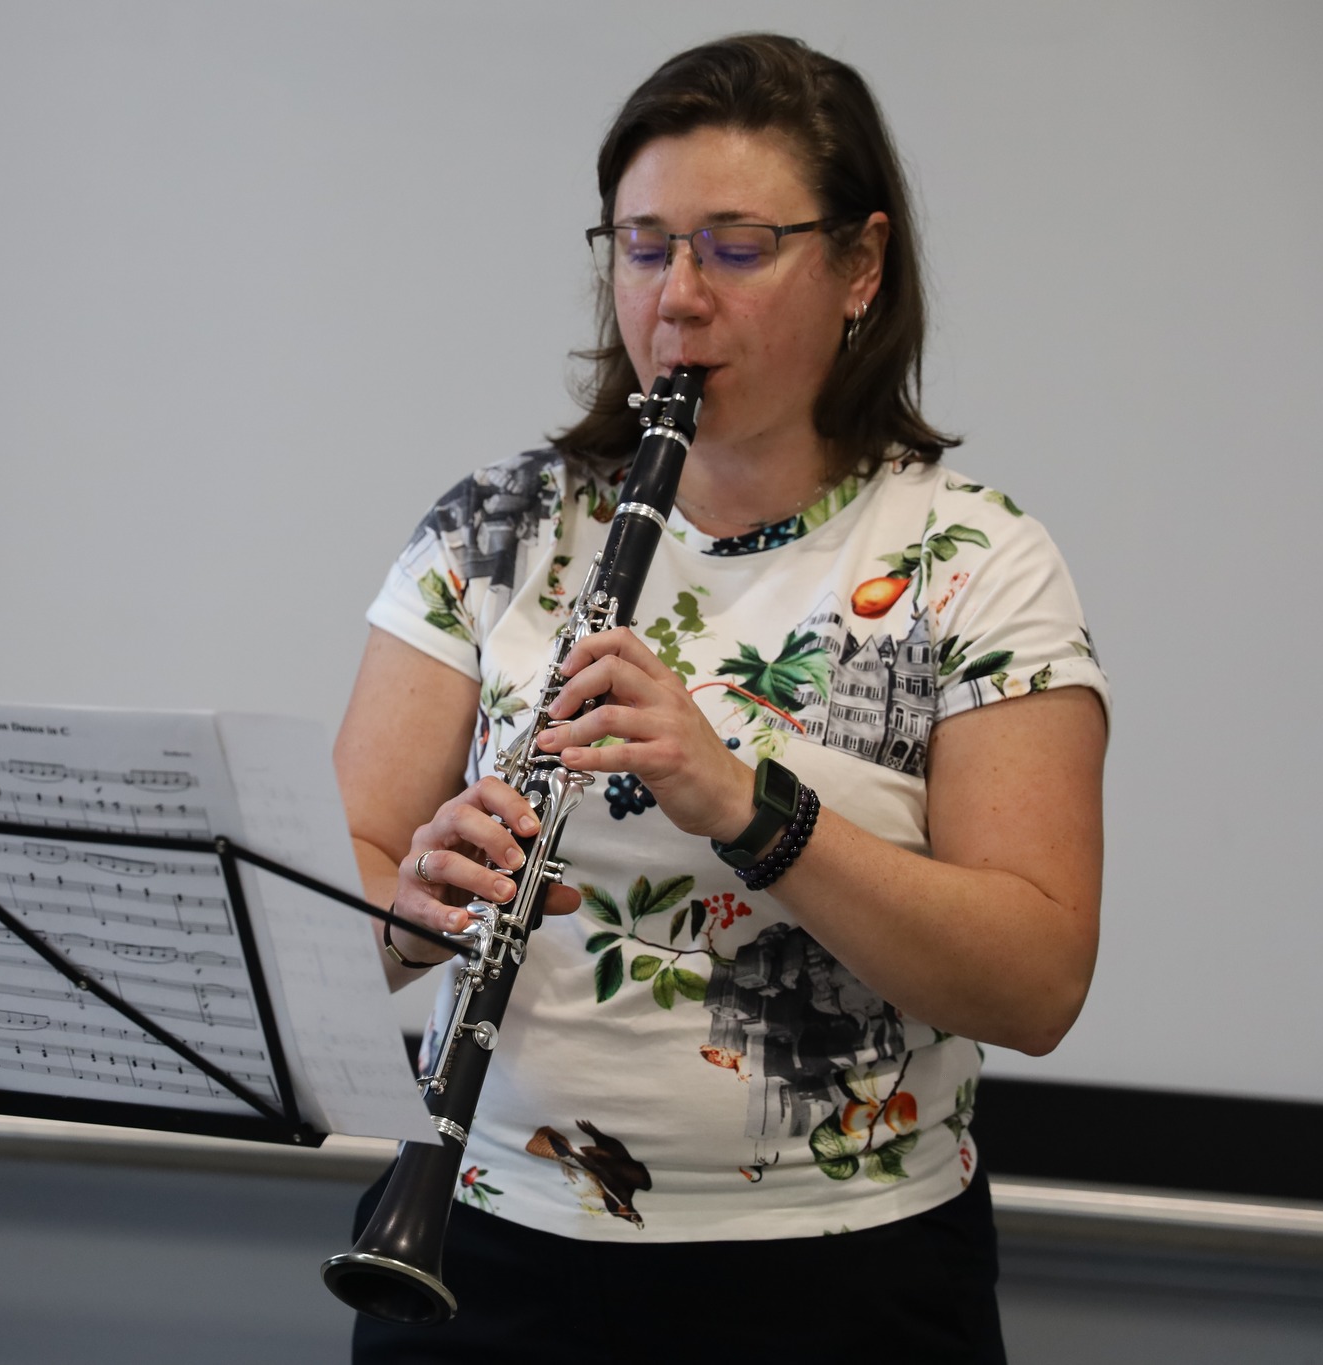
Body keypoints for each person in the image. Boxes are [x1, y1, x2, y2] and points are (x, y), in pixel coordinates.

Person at [335, 33, 1107, 1363]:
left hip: (842, 1280)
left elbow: (1036, 983)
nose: (678, 300)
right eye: (644, 248)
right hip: (481, 1248)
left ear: (861, 266)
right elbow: (339, 891)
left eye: (736, 250)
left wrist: (747, 807)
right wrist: (410, 911)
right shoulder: (496, 533)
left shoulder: (972, 561)